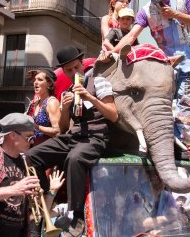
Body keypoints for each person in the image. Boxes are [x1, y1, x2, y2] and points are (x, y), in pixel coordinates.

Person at [26, 44, 118, 237]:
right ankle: (44, 198)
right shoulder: (66, 91)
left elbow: (113, 115)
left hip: (95, 136)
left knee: (74, 159)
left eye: (76, 67)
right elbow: (62, 128)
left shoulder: (99, 81)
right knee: (31, 156)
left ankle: (77, 215)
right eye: (68, 70)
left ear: (82, 65)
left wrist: (90, 98)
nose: (73, 72)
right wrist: (65, 109)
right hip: (73, 136)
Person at [106, 0, 190, 142]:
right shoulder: (146, 11)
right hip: (165, 66)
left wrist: (176, 14)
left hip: (189, 63)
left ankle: (179, 143)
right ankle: (162, 139)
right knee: (161, 104)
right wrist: (111, 53)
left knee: (186, 106)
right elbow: (131, 36)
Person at [25, 68, 60, 146]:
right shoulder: (35, 103)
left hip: (46, 151)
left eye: (40, 80)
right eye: (34, 80)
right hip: (32, 148)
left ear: (49, 83)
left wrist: (36, 126)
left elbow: (58, 132)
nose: (35, 82)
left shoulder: (51, 102)